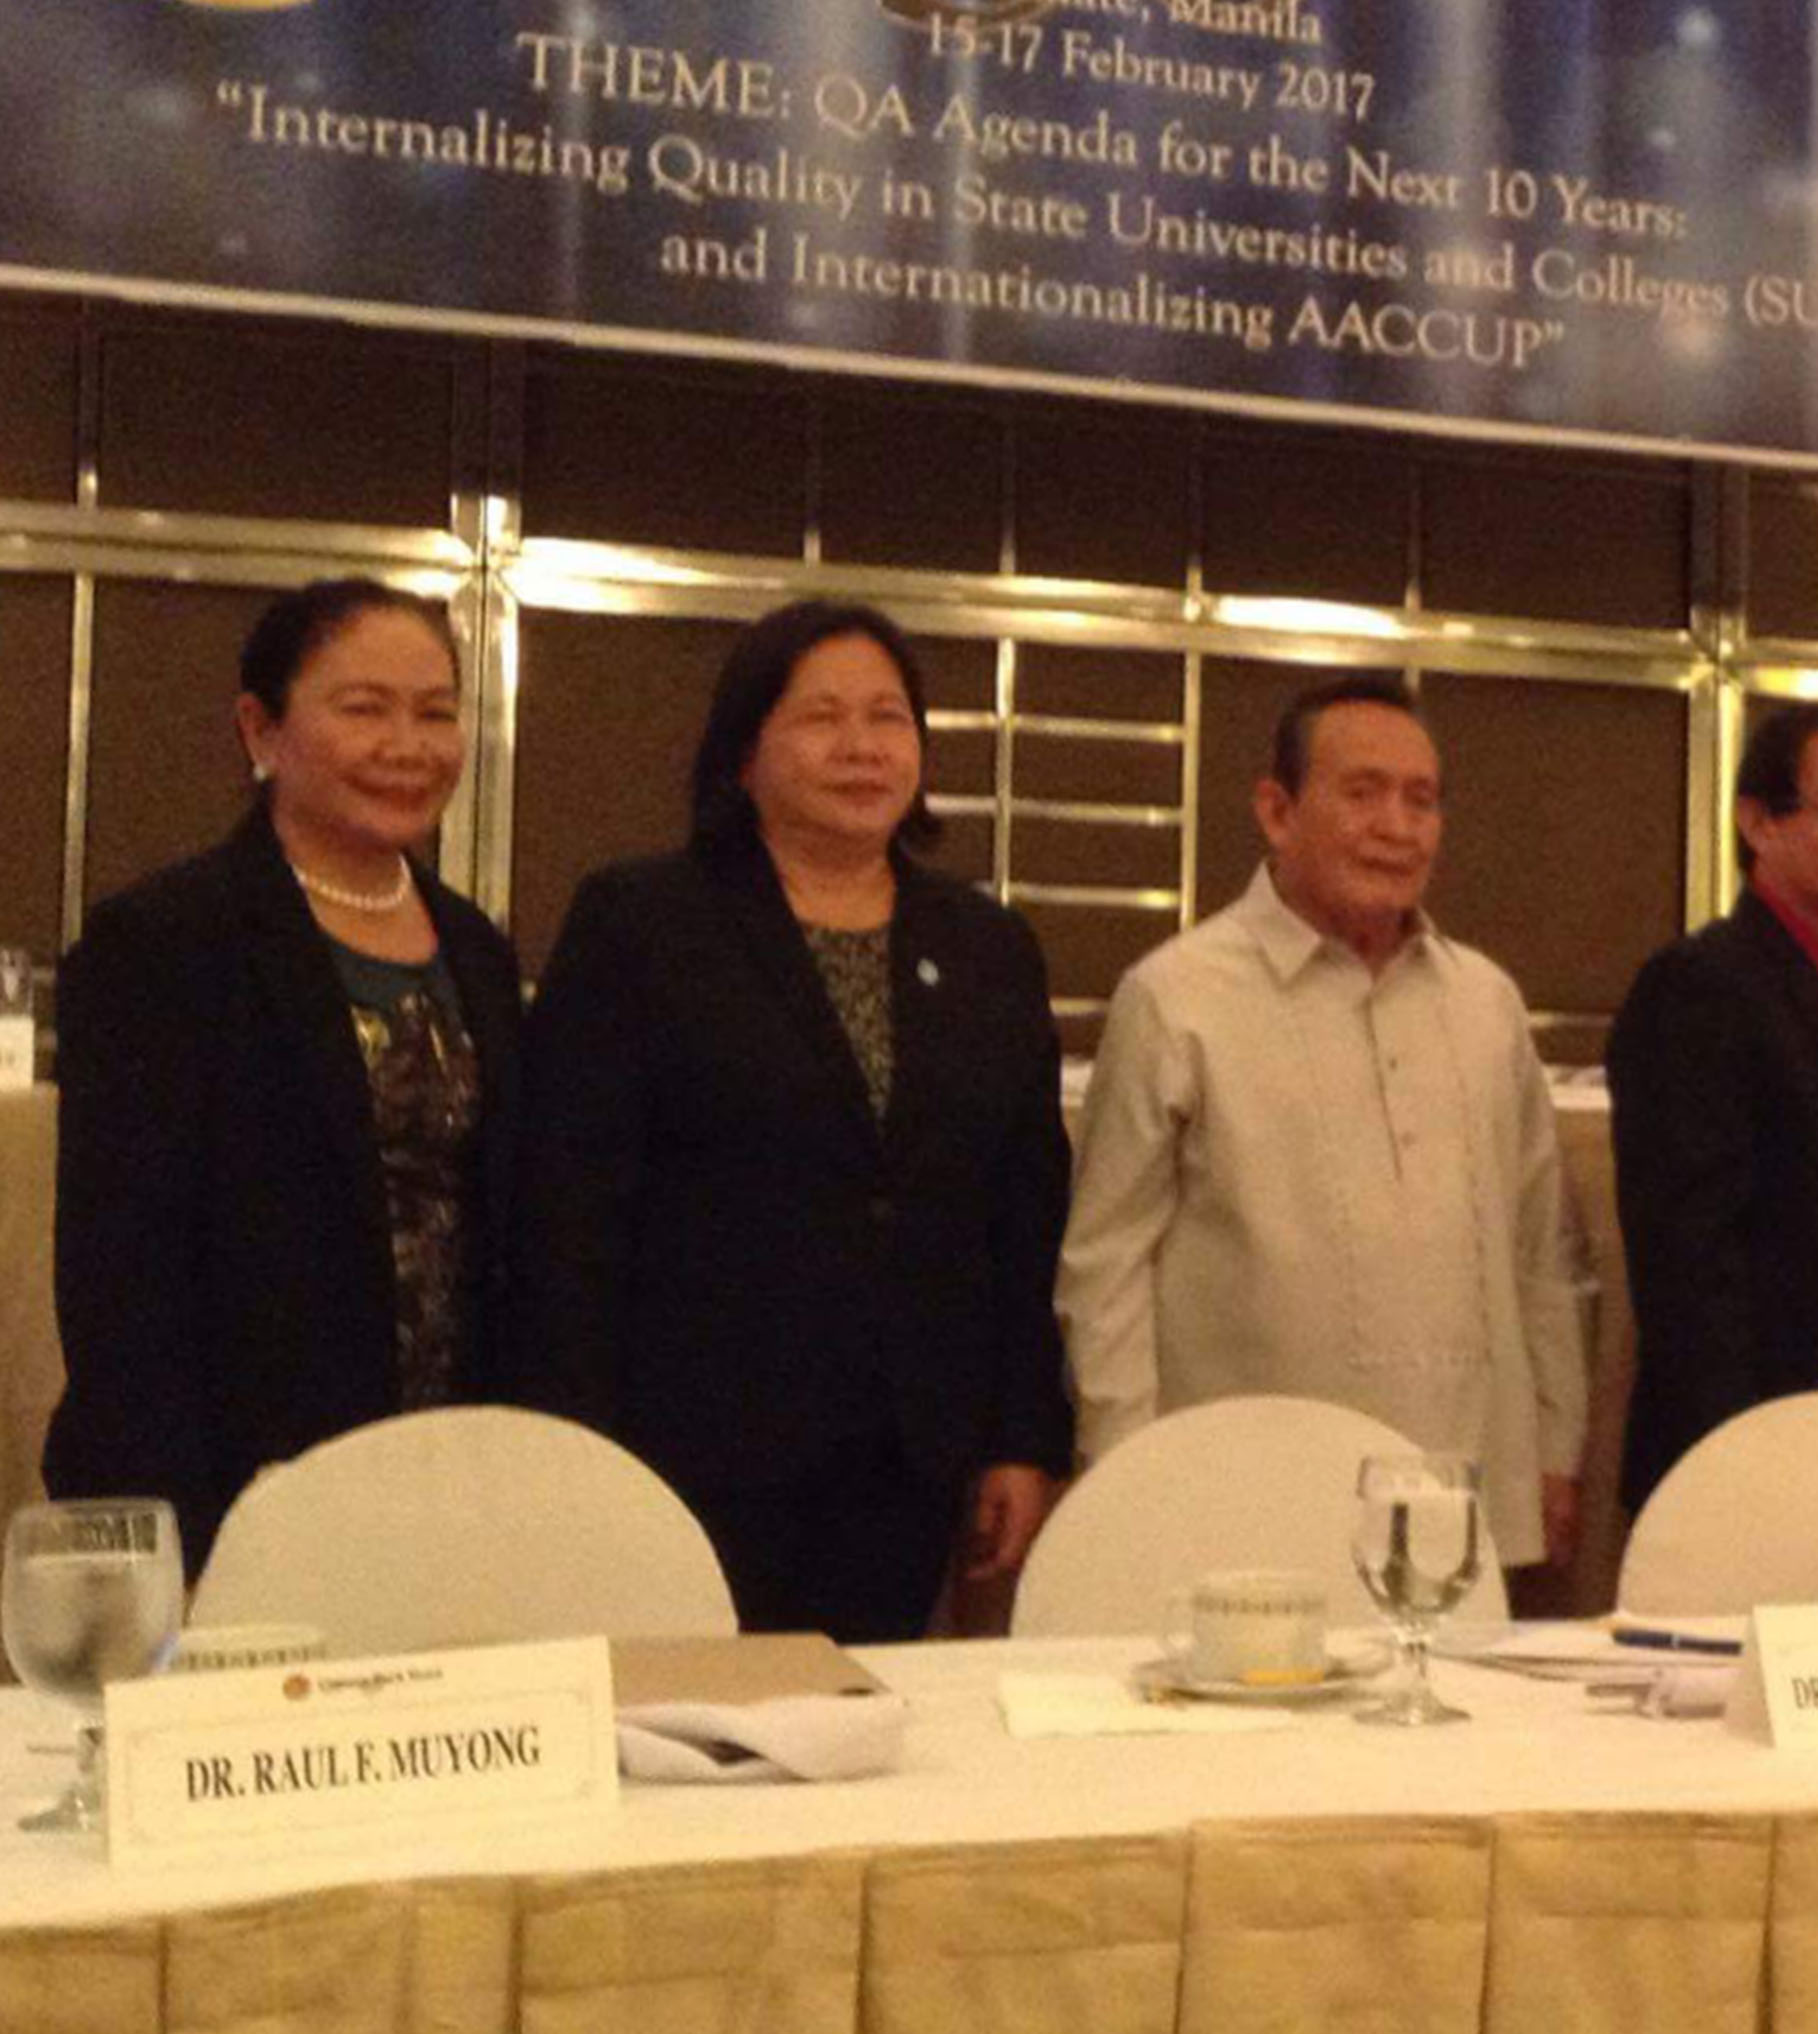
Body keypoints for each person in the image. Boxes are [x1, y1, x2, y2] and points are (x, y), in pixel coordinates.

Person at [516, 601, 1073, 1640]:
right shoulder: (644, 922)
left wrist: (1020, 1434)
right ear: (743, 749)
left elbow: (1021, 1212)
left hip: (909, 1457)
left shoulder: (988, 945)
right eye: (821, 718)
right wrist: (575, 1447)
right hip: (688, 1444)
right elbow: (570, 1205)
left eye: (889, 717)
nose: (861, 747)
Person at [1058, 677, 1592, 1579]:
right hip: (1234, 1494)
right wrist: (1127, 1476)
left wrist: (1554, 1447)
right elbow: (1105, 1266)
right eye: (1363, 792)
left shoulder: (1487, 1002)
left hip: (1456, 1494)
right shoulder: (1177, 996)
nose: (1398, 825)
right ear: (1276, 810)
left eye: (1422, 800)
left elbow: (1544, 1254)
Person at [45, 580, 524, 1556]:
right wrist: (176, 1529)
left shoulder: (475, 946)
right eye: (364, 708)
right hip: (237, 1477)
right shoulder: (167, 939)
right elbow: (121, 1277)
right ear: (261, 729)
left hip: (448, 1473)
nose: (409, 744)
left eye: (436, 712)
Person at [1608, 690, 1818, 1508]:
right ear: (1759, 823)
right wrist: (1743, 1473)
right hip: (1749, 1469)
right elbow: (1689, 1271)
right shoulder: (1699, 988)